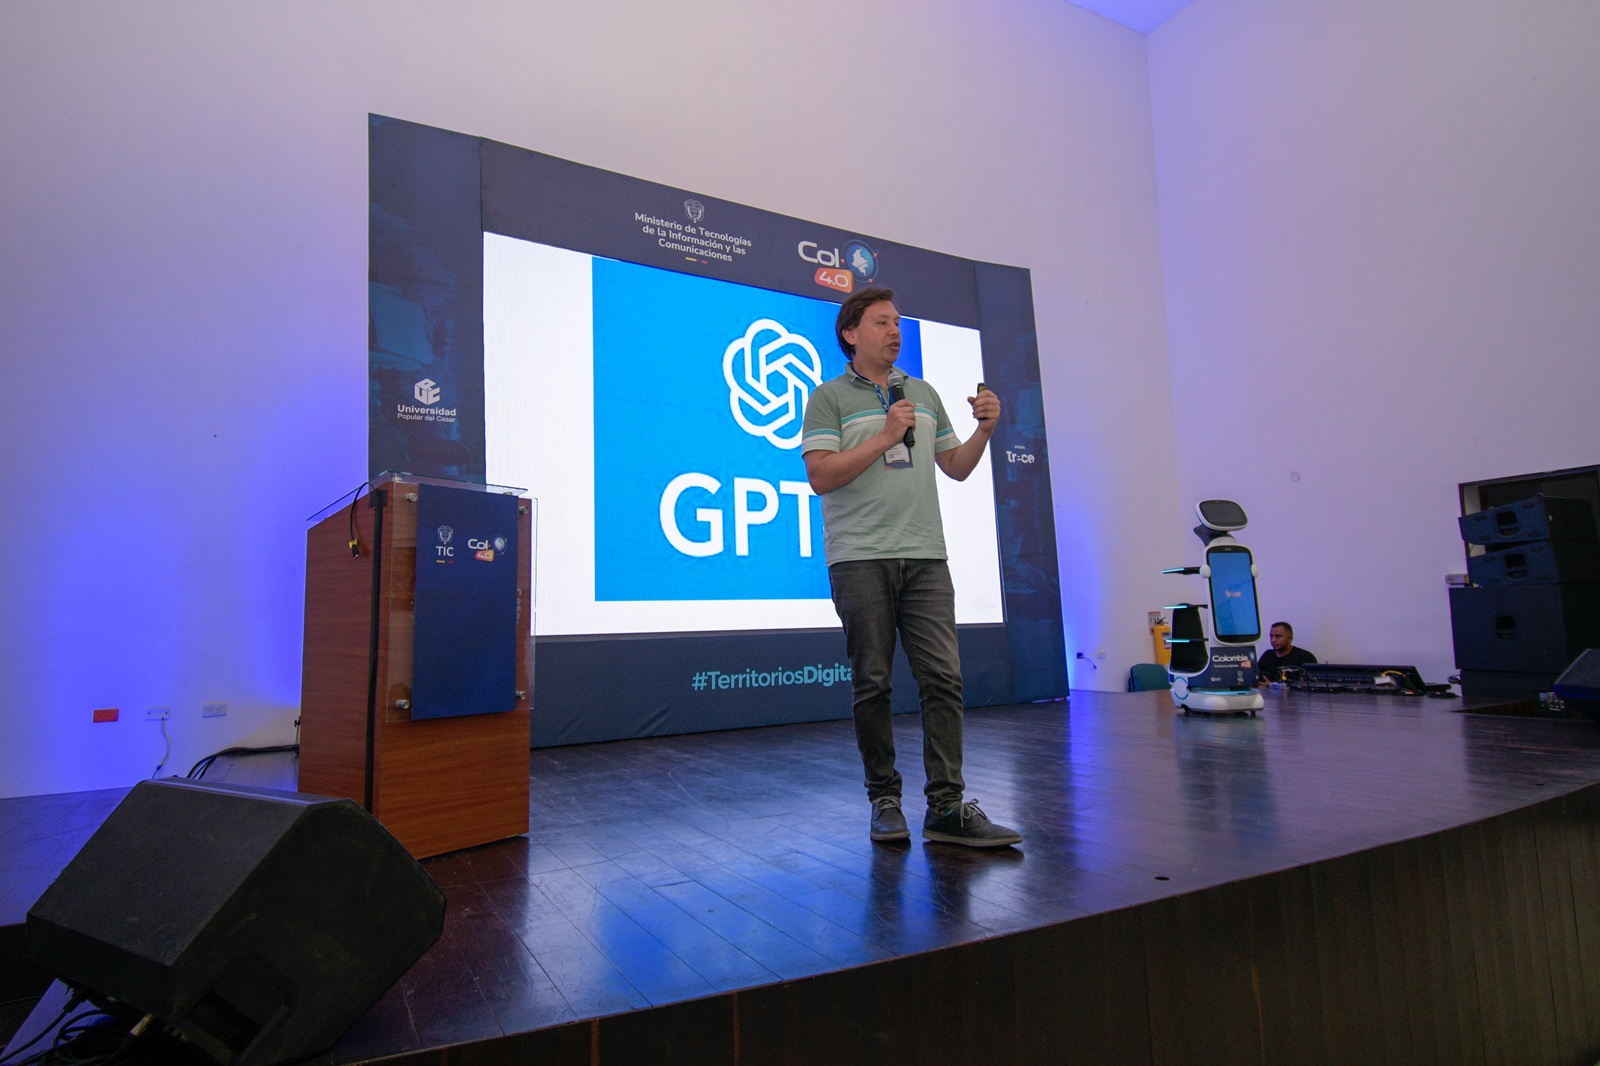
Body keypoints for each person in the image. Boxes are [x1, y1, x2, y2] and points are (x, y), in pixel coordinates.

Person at [800, 287, 1022, 847]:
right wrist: (884, 436)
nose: (895, 331)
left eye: (897, 322)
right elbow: (820, 476)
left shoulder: (921, 392)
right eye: (882, 322)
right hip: (859, 557)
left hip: (926, 556)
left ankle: (946, 807)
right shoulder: (828, 397)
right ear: (851, 333)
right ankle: (884, 801)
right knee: (873, 682)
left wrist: (984, 431)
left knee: (943, 678)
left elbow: (956, 467)